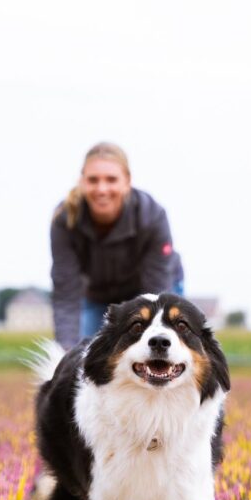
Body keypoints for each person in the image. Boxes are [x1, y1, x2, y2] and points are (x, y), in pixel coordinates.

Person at [49, 142, 176, 349]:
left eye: (111, 180)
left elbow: (157, 295)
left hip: (154, 291)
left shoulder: (152, 216)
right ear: (82, 181)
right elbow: (66, 295)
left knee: (153, 351)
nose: (102, 189)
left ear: (127, 181)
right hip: (98, 298)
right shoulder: (64, 220)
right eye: (93, 180)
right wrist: (65, 352)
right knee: (85, 356)